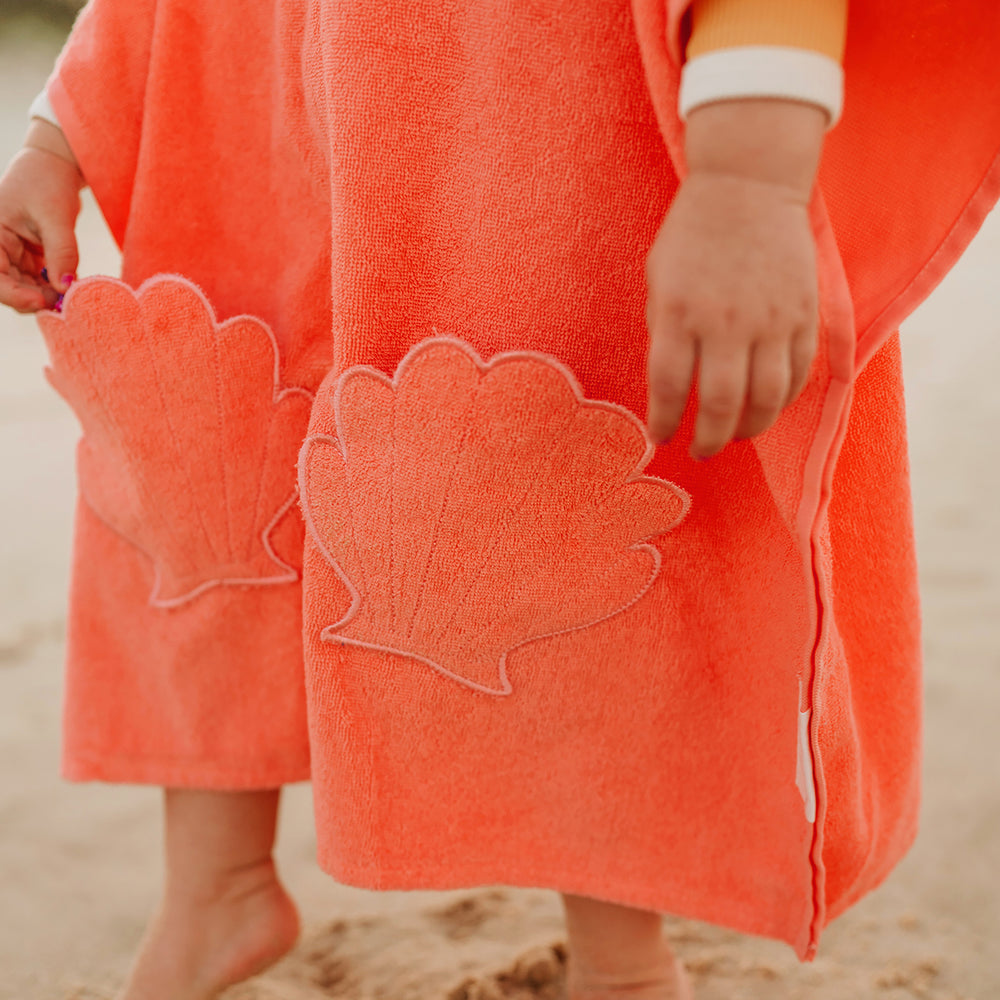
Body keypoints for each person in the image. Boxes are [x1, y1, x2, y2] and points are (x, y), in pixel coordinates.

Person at [2, 1, 999, 999]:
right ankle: (214, 888)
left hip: (530, 129)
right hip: (249, 99)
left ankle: (619, 959)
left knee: (539, 495)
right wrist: (59, 133)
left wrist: (751, 182)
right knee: (217, 469)